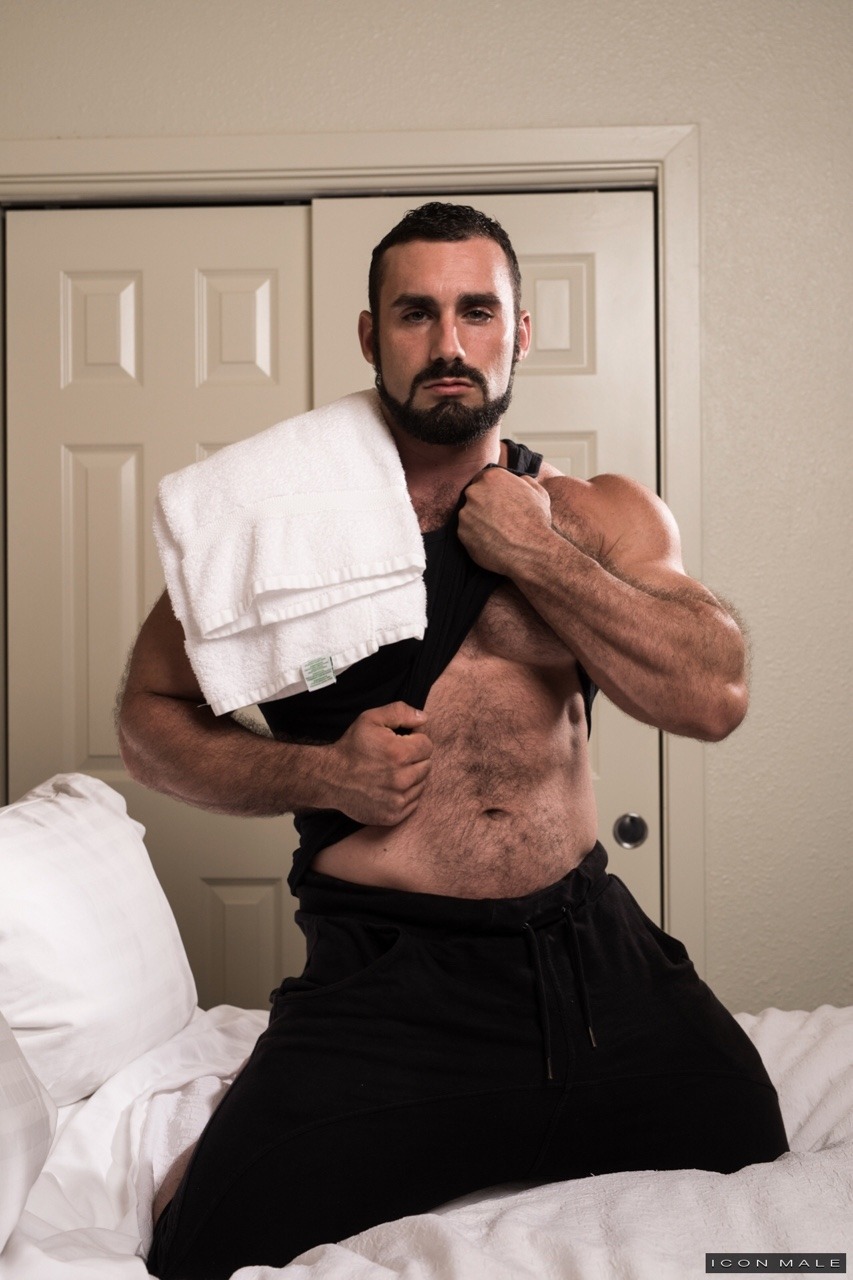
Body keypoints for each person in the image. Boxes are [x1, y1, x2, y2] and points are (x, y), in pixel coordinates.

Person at [120, 203, 788, 1280]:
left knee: (753, 1145)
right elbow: (147, 719)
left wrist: (536, 555)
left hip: (588, 957)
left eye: (477, 312)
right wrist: (319, 771)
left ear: (519, 332)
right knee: (199, 1246)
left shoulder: (591, 512)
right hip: (390, 980)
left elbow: (714, 694)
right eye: (415, 314)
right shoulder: (271, 534)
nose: (448, 343)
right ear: (370, 336)